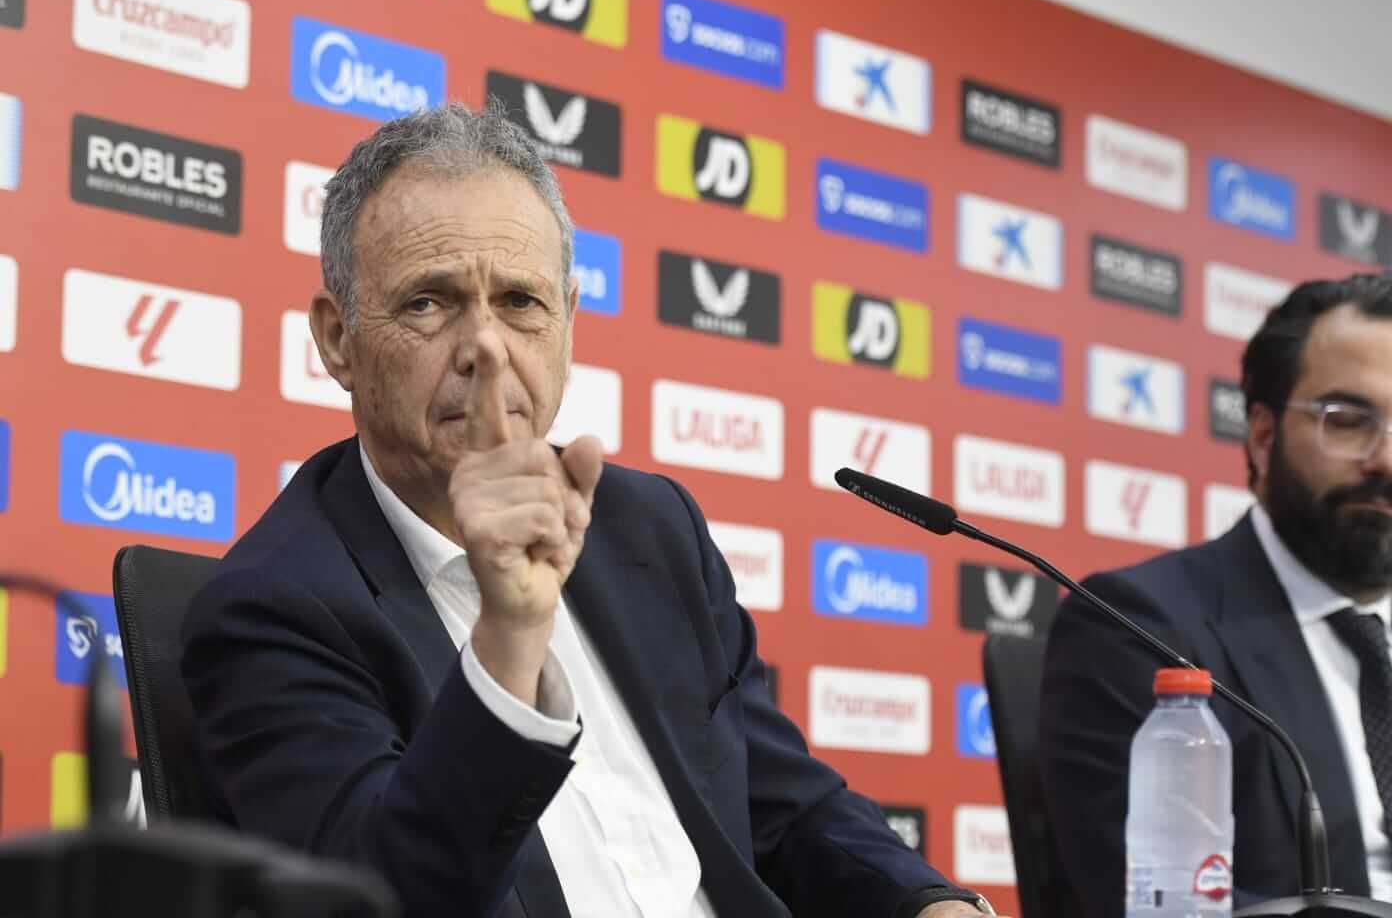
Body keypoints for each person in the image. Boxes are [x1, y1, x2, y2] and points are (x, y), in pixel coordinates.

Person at [181, 102, 997, 918]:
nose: (487, 346)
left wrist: (927, 905)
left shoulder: (651, 529)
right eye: (428, 302)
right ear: (337, 340)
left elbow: (783, 803)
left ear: (568, 320)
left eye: (520, 302)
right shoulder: (274, 607)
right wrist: (510, 638)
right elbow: (384, 900)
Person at [1039, 274, 1392, 914]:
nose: (1385, 459)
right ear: (1262, 436)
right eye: (1347, 420)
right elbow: (1157, 905)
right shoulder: (1139, 629)